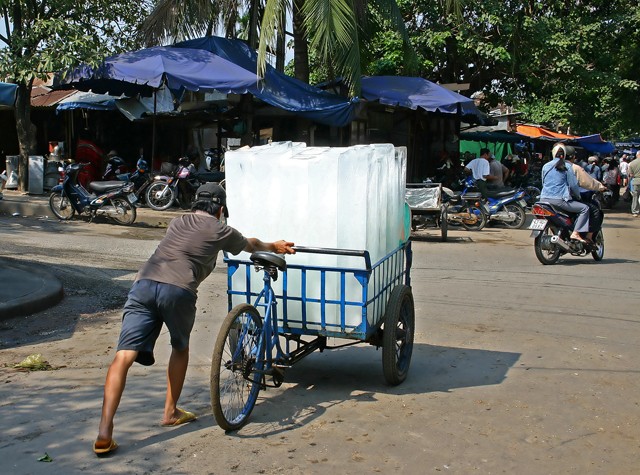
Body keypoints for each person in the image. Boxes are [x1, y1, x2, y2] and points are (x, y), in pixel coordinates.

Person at [93, 183, 295, 455]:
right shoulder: (221, 230)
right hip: (178, 290)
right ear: (221, 209)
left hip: (143, 284)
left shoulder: (177, 222)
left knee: (123, 356)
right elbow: (252, 245)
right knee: (180, 347)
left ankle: (104, 432)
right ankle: (170, 411)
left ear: (195, 204)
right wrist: (276, 245)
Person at [540, 143, 590, 242]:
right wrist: (578, 196)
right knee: (585, 208)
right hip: (560, 201)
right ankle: (576, 233)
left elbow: (543, 182)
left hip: (543, 200)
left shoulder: (545, 166)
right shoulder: (567, 166)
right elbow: (573, 185)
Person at [628, 151, 640, 217]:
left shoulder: (632, 163)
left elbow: (631, 174)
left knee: (635, 197)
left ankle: (635, 211)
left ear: (637, 155)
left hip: (636, 181)